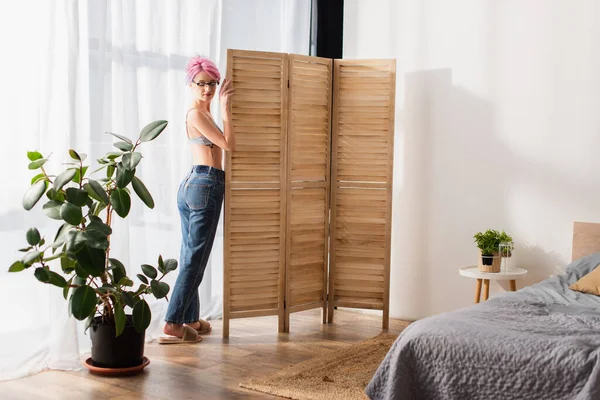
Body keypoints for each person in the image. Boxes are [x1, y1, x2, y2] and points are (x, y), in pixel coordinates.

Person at [159, 56, 235, 344]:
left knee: (191, 254)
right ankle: (172, 323)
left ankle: (189, 316)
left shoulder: (203, 113)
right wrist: (227, 108)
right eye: (202, 83)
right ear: (190, 84)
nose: (208, 89)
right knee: (195, 258)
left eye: (212, 83)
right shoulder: (196, 114)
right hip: (205, 184)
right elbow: (228, 144)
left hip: (198, 184)